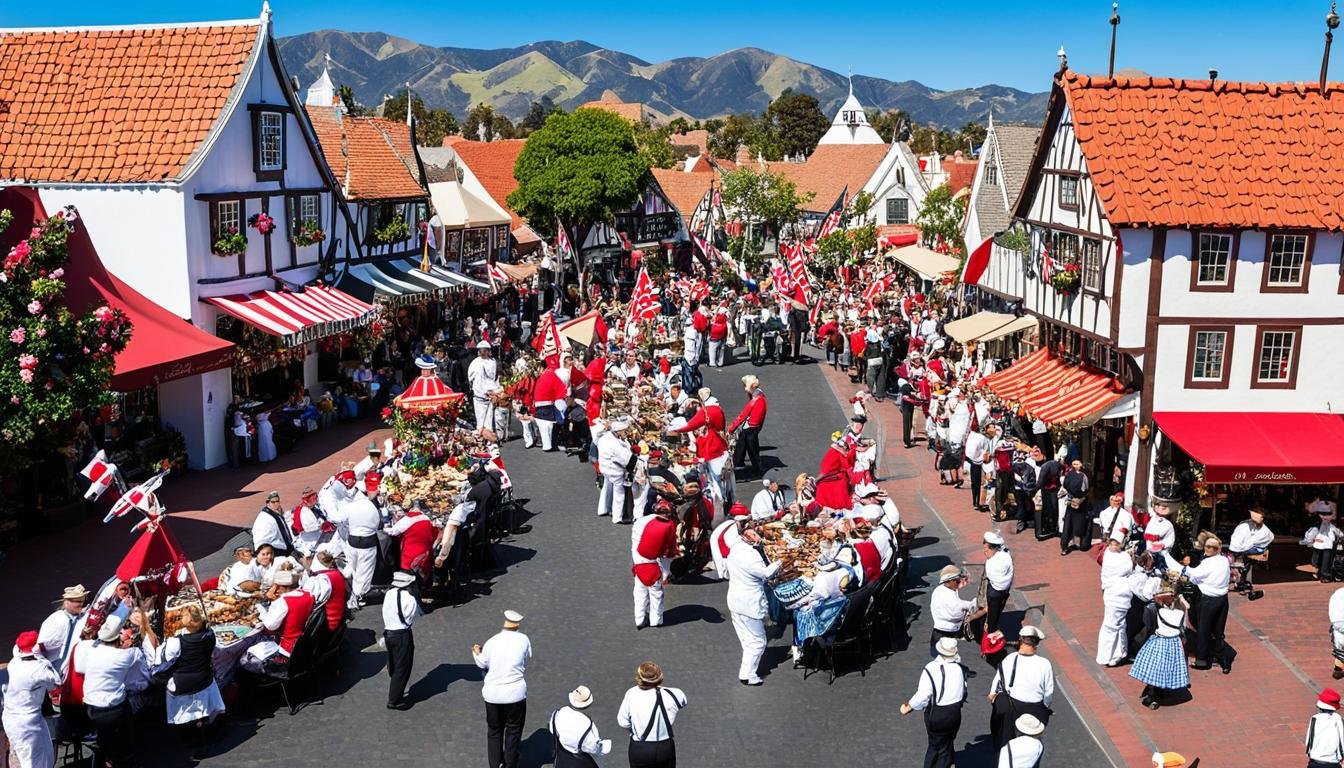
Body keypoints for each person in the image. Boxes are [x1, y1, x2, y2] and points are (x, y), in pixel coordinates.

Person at [141, 605, 225, 745]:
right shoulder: (210, 634)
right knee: (201, 709)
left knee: (184, 714)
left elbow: (162, 662)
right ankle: (204, 730)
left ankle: (190, 737)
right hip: (205, 679)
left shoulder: (176, 641)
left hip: (182, 684)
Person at [76, 615, 149, 768]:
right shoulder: (129, 654)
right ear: (118, 639)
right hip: (113, 709)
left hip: (91, 706)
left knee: (105, 737)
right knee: (125, 739)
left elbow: (80, 668)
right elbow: (143, 677)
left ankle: (108, 757)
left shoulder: (88, 649)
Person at [474, 610, 531, 768]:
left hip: (493, 695)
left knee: (494, 731)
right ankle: (510, 764)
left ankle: (495, 764)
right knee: (513, 730)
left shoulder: (492, 642)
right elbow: (525, 657)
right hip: (516, 694)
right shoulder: (524, 639)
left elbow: (482, 663)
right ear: (517, 625)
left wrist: (476, 653)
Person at [1165, 536, 1232, 672]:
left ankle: (1202, 660)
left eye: (1209, 547)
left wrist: (1165, 556)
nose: (1206, 549)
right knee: (1219, 630)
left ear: (1215, 549)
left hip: (1209, 600)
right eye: (1206, 546)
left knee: (1204, 629)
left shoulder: (1208, 564)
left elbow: (1189, 572)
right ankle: (1222, 659)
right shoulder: (1224, 560)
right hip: (1223, 600)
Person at [900, 637, 967, 768]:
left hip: (937, 715)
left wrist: (909, 706)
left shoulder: (931, 669)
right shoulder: (959, 669)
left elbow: (923, 695)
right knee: (947, 743)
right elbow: (963, 691)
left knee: (936, 746)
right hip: (955, 714)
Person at [726, 525, 780, 685]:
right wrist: (779, 562)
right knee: (758, 641)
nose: (757, 536)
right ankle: (749, 674)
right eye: (754, 533)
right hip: (749, 603)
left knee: (746, 638)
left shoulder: (736, 547)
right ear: (745, 536)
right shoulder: (750, 556)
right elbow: (766, 574)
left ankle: (746, 670)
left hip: (735, 600)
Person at [3, 630, 62, 768]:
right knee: (32, 761)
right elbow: (56, 682)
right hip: (28, 723)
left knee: (24, 756)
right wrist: (43, 658)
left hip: (12, 718)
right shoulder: (39, 669)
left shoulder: (14, 662)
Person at [988, 625, 1054, 749]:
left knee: (1007, 745)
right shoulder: (1045, 664)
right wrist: (1045, 708)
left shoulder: (1010, 659)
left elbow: (998, 681)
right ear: (1036, 643)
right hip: (1035, 710)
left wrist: (992, 695)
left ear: (1020, 641)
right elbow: (1048, 694)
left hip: (1012, 709)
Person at [1129, 587, 1190, 709]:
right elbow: (1185, 611)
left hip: (1159, 642)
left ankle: (1153, 694)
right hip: (1174, 645)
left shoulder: (1159, 612)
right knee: (1168, 668)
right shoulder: (1180, 613)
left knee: (1155, 668)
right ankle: (1161, 691)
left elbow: (1150, 623)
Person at [617, 661, 686, 768]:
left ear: (639, 678)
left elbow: (623, 722)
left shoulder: (631, 694)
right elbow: (683, 702)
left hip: (640, 749)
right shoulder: (674, 694)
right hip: (665, 747)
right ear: (660, 677)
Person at [241, 571, 314, 672]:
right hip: (303, 642)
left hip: (287, 650)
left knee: (244, 659)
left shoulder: (283, 602)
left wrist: (262, 610)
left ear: (280, 587)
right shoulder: (308, 594)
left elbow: (270, 625)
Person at [632, 501, 679, 629]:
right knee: (656, 594)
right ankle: (656, 620)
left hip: (638, 562)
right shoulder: (669, 525)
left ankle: (639, 619)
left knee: (639, 592)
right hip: (653, 565)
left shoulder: (641, 522)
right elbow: (670, 548)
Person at [382, 571, 419, 710]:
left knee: (393, 661)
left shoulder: (389, 594)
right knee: (402, 667)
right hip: (402, 635)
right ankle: (394, 699)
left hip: (388, 633)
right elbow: (410, 619)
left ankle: (395, 688)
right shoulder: (410, 599)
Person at [549, 685, 612, 767]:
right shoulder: (586, 724)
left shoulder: (557, 714)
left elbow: (552, 731)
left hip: (560, 760)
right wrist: (605, 746)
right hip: (578, 763)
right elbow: (593, 747)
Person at [1098, 539, 1135, 667]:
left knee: (1115, 625)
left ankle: (1117, 652)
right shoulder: (1123, 558)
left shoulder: (1107, 555)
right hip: (1119, 598)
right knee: (1114, 626)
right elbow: (1130, 568)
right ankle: (1112, 656)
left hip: (1110, 595)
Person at [38, 583, 89, 672]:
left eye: (82, 601)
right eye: (78, 602)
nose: (81, 604)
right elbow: (42, 646)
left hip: (75, 664)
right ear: (66, 603)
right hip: (56, 664)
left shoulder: (83, 618)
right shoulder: (55, 620)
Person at [930, 565, 977, 657]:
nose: (959, 583)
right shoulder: (949, 597)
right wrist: (972, 605)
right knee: (947, 657)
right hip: (947, 633)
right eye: (957, 581)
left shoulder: (940, 590)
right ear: (949, 581)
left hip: (938, 632)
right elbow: (957, 613)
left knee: (938, 657)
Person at [728, 374, 768, 477]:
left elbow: (742, 415)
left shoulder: (756, 399)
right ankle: (739, 462)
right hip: (752, 425)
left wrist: (731, 428)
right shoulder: (759, 395)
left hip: (751, 427)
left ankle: (757, 468)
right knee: (743, 444)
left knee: (752, 449)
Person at [387, 502, 436, 584]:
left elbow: (393, 532)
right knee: (421, 578)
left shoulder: (409, 518)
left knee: (408, 580)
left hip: (410, 556)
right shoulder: (427, 519)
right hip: (425, 554)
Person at [1305, 501, 1343, 583]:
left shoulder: (1332, 523)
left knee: (1326, 561)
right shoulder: (1318, 521)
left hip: (1327, 544)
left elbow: (1338, 532)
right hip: (1319, 543)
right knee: (1318, 560)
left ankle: (1325, 576)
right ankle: (1321, 573)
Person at [983, 532, 1013, 635]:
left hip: (995, 592)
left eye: (986, 549)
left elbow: (992, 578)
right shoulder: (1004, 553)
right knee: (998, 609)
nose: (984, 551)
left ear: (993, 548)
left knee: (993, 613)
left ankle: (990, 631)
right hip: (1005, 590)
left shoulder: (993, 564)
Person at [1306, 688, 1344, 768]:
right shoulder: (1338, 719)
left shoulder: (1314, 718)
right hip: (1332, 762)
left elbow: (1309, 741)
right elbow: (1342, 740)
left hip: (1314, 761)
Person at [251, 490, 296, 557]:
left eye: (277, 501)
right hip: (276, 553)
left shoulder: (275, 512)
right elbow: (262, 543)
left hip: (286, 549)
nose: (276, 504)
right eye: (273, 502)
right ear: (267, 503)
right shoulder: (264, 519)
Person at [469, 339, 500, 431]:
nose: (482, 352)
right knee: (482, 419)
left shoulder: (492, 362)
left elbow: (494, 377)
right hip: (481, 394)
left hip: (489, 394)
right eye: (481, 350)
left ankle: (488, 438)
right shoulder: (476, 363)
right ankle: (484, 439)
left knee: (488, 419)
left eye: (484, 350)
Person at [1060, 459, 1090, 554]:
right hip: (1075, 502)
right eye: (1074, 464)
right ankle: (1071, 545)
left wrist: (1077, 498)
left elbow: (1086, 489)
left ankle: (1071, 544)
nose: (1075, 465)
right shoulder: (1076, 475)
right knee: (1073, 523)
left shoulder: (1079, 475)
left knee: (1073, 524)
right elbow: (1067, 486)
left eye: (1077, 463)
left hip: (1075, 502)